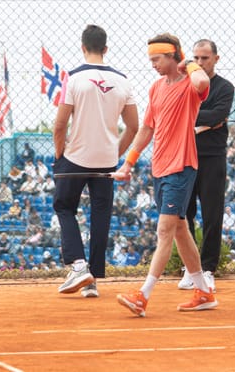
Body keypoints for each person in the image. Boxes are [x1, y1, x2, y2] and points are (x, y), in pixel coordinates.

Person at [115, 33, 218, 317]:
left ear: (173, 56)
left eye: (157, 59)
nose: (153, 65)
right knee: (180, 230)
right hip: (160, 168)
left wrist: (190, 64)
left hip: (182, 166)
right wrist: (128, 163)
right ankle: (204, 293)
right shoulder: (156, 88)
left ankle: (142, 295)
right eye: (150, 60)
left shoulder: (189, 84)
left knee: (165, 231)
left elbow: (203, 82)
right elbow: (147, 128)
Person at [52, 24, 139, 298]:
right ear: (105, 48)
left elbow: (60, 124)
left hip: (76, 156)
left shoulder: (73, 78)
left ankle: (78, 265)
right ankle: (92, 281)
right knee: (100, 214)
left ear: (82, 47)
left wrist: (59, 154)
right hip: (106, 159)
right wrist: (115, 153)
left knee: (64, 206)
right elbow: (133, 126)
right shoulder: (123, 80)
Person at [177, 39, 234, 293]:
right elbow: (181, 114)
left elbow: (217, 115)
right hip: (185, 156)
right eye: (196, 58)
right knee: (183, 215)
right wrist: (206, 120)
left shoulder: (225, 87)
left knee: (213, 214)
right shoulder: (183, 84)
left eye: (205, 58)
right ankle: (190, 269)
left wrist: (199, 118)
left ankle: (208, 269)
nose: (200, 63)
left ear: (216, 59)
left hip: (212, 157)